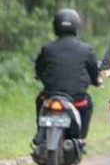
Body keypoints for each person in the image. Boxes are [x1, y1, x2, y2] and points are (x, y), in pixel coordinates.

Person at [33, 9, 100, 152]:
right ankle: (80, 139)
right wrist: (96, 81)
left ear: (55, 26)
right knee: (88, 104)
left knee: (39, 100)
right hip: (76, 100)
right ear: (77, 26)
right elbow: (94, 73)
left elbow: (39, 68)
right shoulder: (86, 49)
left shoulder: (47, 49)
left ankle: (40, 134)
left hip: (50, 97)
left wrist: (39, 76)